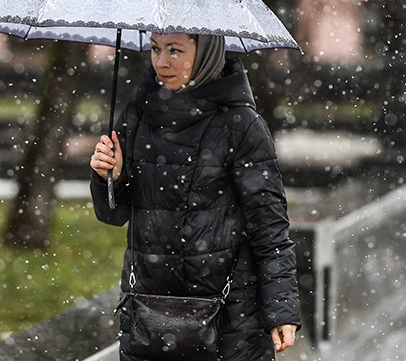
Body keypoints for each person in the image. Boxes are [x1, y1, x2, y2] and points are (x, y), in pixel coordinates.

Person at [90, 32, 300, 361]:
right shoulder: (138, 115)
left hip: (230, 318)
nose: (161, 62)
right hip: (149, 313)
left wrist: (282, 309)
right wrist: (109, 178)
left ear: (206, 54)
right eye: (155, 49)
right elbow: (113, 215)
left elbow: (269, 225)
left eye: (175, 50)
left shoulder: (241, 125)